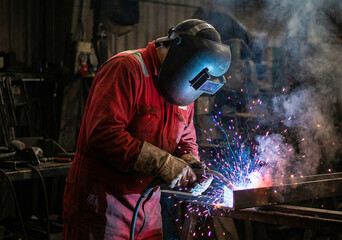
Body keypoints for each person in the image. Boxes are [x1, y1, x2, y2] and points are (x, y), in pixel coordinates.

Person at [63, 19, 231, 240]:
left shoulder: (184, 86)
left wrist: (190, 160)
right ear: (179, 54)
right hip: (103, 208)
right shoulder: (126, 69)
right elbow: (103, 134)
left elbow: (186, 138)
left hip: (148, 212)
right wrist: (163, 163)